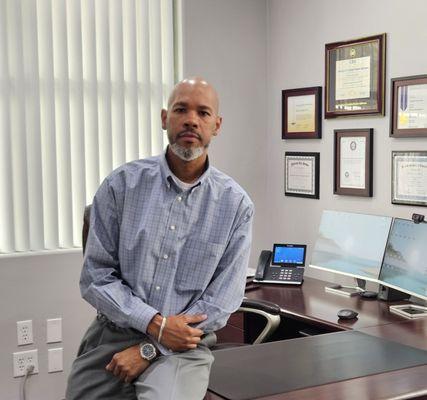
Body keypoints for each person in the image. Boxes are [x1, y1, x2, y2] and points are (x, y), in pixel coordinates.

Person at [66, 77, 254, 400]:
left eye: (203, 113)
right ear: (165, 118)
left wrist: (151, 347)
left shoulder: (235, 206)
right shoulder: (120, 187)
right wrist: (155, 325)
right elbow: (95, 277)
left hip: (185, 347)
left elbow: (221, 303)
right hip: (112, 334)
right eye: (181, 109)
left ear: (217, 125)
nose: (191, 119)